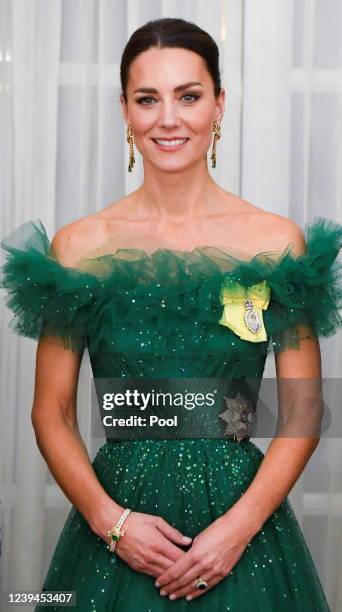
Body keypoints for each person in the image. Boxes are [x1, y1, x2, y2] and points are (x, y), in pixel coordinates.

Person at [1, 17, 341, 612]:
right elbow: (50, 411)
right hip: (119, 528)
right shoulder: (81, 248)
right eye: (147, 99)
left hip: (241, 532)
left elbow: (304, 411)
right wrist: (114, 524)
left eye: (188, 96)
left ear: (219, 104)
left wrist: (233, 535)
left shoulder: (273, 242)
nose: (168, 118)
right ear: (125, 111)